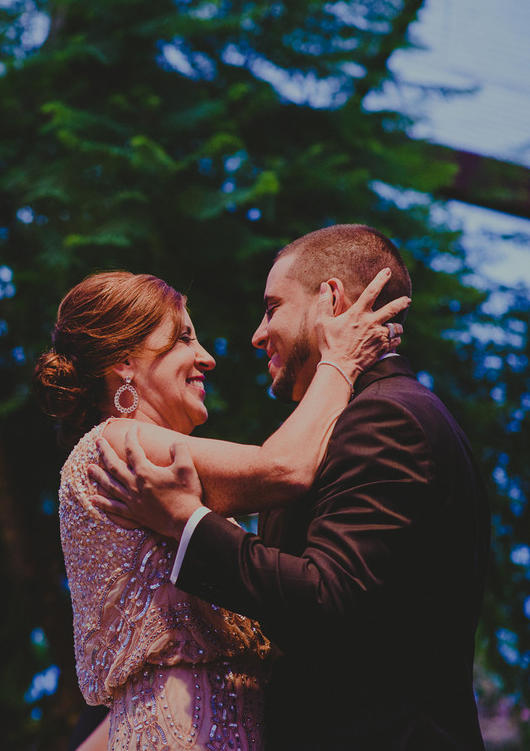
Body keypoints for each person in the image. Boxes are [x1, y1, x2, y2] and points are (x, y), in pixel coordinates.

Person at [90, 224, 490, 751]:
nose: (257, 334)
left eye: (273, 307)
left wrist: (187, 523)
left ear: (331, 300)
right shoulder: (347, 423)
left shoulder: (385, 417)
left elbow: (328, 599)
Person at [33, 263, 407, 751]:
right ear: (125, 362)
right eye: (184, 338)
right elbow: (286, 468)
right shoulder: (119, 445)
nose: (206, 358)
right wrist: (340, 359)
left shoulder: (142, 464)